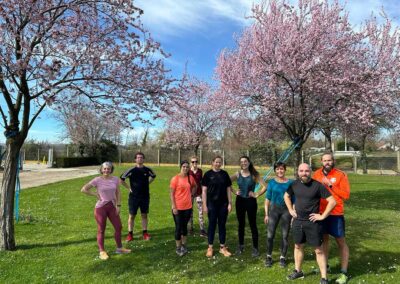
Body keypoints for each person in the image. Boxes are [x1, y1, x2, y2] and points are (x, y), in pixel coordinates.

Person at [284, 163, 336, 284]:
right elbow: (286, 196)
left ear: (310, 171)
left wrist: (322, 216)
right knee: (298, 246)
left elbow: (332, 201)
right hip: (298, 221)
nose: (304, 173)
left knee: (318, 250)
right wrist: (291, 210)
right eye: (301, 171)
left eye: (306, 171)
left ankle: (324, 278)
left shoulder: (317, 186)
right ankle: (298, 271)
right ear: (298, 172)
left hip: (313, 222)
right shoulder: (294, 184)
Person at [313, 153, 350, 284]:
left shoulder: (341, 175)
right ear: (321, 161)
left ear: (333, 161)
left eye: (330, 160)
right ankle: (325, 266)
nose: (327, 162)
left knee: (341, 242)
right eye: (325, 160)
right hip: (321, 213)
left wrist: (330, 185)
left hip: (336, 214)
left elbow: (346, 195)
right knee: (324, 241)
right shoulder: (316, 174)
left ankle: (344, 272)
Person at [81, 161, 131, 260]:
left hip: (112, 206)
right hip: (100, 208)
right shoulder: (97, 180)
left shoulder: (116, 179)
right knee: (101, 229)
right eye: (104, 168)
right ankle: (102, 251)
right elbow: (84, 189)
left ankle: (119, 248)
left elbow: (118, 192)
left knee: (118, 227)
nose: (106, 170)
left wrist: (119, 205)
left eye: (108, 168)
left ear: (111, 169)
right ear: (101, 169)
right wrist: (95, 194)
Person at [256, 161, 293, 267]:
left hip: (286, 211)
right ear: (275, 171)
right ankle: (268, 256)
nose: (280, 171)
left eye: (282, 169)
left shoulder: (291, 183)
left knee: (285, 235)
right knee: (270, 235)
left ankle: (282, 257)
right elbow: (267, 200)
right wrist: (266, 214)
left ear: (285, 170)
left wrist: (293, 213)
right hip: (274, 211)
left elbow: (293, 200)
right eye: (277, 169)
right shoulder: (272, 183)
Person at [230, 156, 266, 257]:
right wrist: (234, 191)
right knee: (241, 224)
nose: (244, 163)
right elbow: (227, 182)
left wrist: (257, 194)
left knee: (252, 224)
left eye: (245, 161)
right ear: (240, 164)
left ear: (249, 162)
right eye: (241, 162)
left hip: (251, 202)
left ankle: (255, 248)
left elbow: (265, 186)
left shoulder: (254, 174)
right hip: (240, 201)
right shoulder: (237, 174)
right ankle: (241, 246)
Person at [120, 152, 156, 241]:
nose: (139, 159)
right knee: (132, 216)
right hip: (134, 197)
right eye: (138, 158)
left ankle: (145, 233)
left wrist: (148, 183)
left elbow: (153, 176)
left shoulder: (147, 170)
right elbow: (121, 179)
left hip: (145, 196)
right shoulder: (131, 170)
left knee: (144, 215)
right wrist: (128, 188)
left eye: (141, 157)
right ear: (135, 159)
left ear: (143, 159)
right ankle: (130, 234)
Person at [202, 155, 233, 258]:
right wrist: (204, 205)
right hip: (211, 205)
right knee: (212, 225)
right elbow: (204, 191)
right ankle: (210, 247)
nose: (218, 164)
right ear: (212, 162)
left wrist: (229, 203)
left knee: (222, 225)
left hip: (223, 204)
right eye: (216, 162)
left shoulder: (224, 174)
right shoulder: (207, 174)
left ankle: (222, 247)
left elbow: (228, 189)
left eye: (220, 162)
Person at [170, 161, 197, 256]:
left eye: (187, 167)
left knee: (184, 227)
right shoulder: (175, 179)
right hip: (178, 207)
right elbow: (172, 194)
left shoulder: (190, 178)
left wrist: (192, 194)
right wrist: (174, 207)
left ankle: (184, 245)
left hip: (188, 207)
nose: (185, 168)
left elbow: (195, 186)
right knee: (178, 228)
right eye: (183, 167)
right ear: (180, 167)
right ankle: (178, 247)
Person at [188, 156, 207, 237]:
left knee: (200, 212)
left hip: (198, 193)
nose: (194, 163)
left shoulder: (200, 171)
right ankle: (190, 228)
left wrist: (203, 192)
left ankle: (202, 229)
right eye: (193, 162)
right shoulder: (188, 171)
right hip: (190, 194)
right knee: (190, 212)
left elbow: (201, 182)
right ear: (190, 163)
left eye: (196, 161)